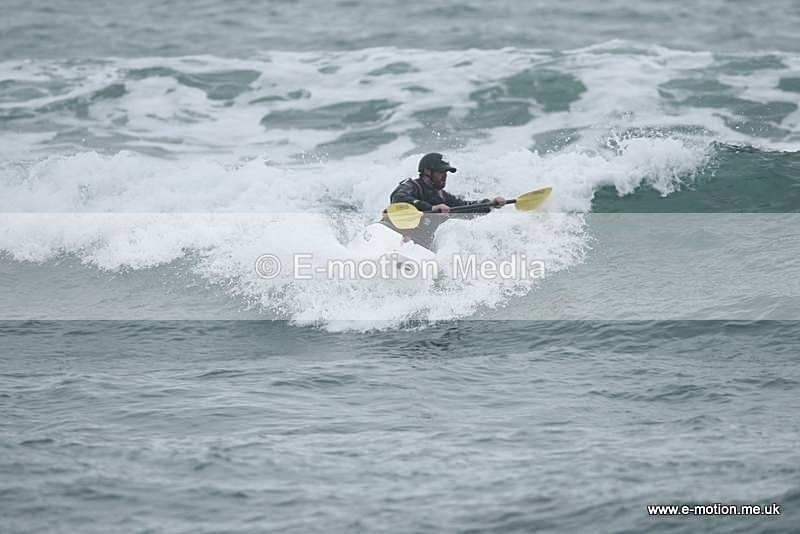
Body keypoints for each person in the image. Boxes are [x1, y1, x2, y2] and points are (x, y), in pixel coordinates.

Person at [384, 153, 506, 248]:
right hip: (389, 234)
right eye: (440, 172)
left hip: (417, 248)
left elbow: (466, 208)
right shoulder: (412, 186)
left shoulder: (442, 197)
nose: (445, 175)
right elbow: (398, 198)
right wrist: (430, 208)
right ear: (427, 171)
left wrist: (491, 204)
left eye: (446, 172)